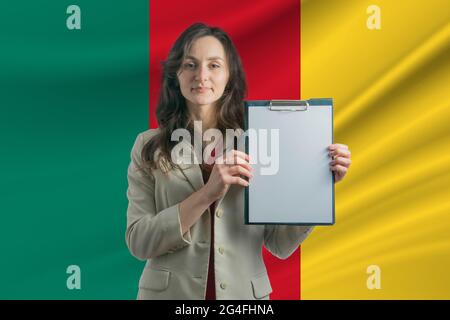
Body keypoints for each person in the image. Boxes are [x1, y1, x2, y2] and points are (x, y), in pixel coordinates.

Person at [125, 22, 351, 300]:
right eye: (190, 64)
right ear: (176, 74)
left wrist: (318, 183)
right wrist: (208, 193)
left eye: (214, 65)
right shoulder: (148, 146)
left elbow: (280, 244)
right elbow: (139, 241)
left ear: (230, 75)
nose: (202, 76)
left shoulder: (261, 139)